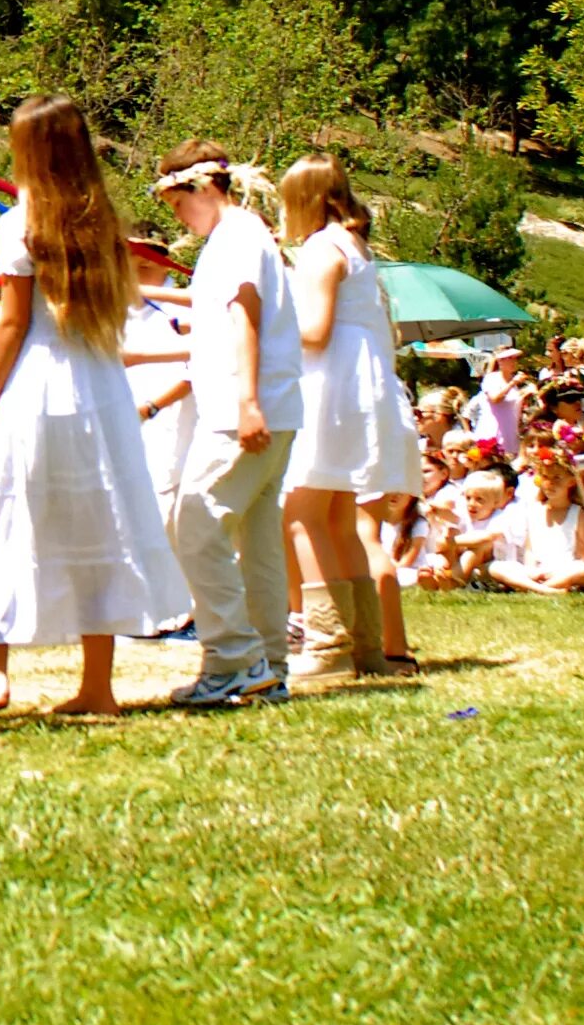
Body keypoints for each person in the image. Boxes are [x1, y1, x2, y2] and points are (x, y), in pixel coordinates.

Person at [0, 96, 191, 720]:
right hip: (100, 389)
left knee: (0, 520)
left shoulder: (18, 223)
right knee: (97, 523)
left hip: (37, 385)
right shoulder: (101, 219)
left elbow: (10, 326)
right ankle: (98, 687)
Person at [151, 139, 306, 709]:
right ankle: (268, 664)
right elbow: (220, 312)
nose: (176, 216)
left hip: (244, 412)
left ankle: (234, 658)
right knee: (257, 540)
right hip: (269, 406)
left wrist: (246, 403)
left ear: (202, 188)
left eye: (175, 202)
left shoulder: (237, 238)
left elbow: (245, 316)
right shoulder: (241, 236)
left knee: (193, 523)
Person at [277, 154, 417, 682]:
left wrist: (261, 330)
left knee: (302, 514)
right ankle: (365, 648)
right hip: (363, 385)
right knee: (339, 521)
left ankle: (327, 642)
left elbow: (313, 332)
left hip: (332, 388)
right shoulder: (356, 247)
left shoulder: (321, 249)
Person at [488, 453, 584, 594]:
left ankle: (532, 588)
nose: (550, 483)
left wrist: (555, 572)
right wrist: (532, 571)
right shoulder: (534, 510)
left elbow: (582, 556)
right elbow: (530, 550)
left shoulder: (580, 514)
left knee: (583, 571)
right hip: (537, 570)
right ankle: (545, 590)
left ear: (571, 481)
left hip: (563, 570)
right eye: (545, 478)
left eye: (557, 478)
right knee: (496, 567)